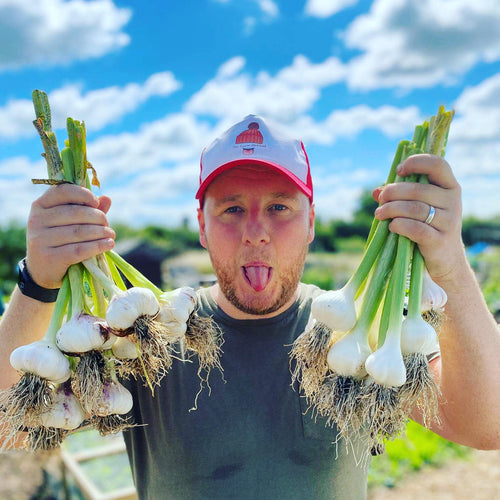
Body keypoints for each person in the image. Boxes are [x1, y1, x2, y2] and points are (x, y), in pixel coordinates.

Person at [1, 115, 499, 499]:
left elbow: (487, 426)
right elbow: (10, 431)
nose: (256, 231)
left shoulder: (361, 332)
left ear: (310, 223)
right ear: (201, 225)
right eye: (232, 209)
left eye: (280, 207)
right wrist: (39, 282)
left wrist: (449, 264)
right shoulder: (147, 335)